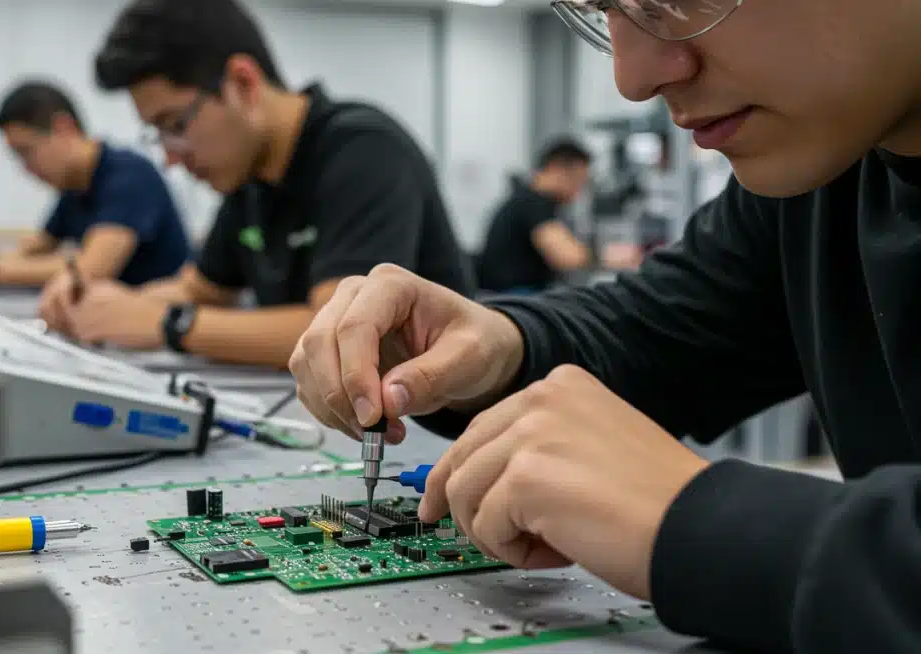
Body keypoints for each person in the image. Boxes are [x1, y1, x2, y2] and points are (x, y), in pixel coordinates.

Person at [289, 1, 921, 652]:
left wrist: (696, 521)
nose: (633, 76)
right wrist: (503, 346)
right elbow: (663, 328)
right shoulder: (822, 180)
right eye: (605, 10)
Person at [39, 0, 473, 368]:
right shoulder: (249, 180)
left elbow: (340, 331)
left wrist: (167, 324)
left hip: (432, 428)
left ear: (243, 84)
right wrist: (103, 302)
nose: (170, 157)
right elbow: (199, 290)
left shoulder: (363, 150)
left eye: (174, 125)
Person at [0, 81, 190, 290]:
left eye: (26, 152)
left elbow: (90, 269)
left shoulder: (131, 176)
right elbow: (34, 249)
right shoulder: (74, 188)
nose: (25, 168)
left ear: (64, 128)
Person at [477, 139, 592, 294]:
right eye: (577, 182)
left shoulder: (526, 199)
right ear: (556, 169)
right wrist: (605, 255)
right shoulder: (533, 203)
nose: (577, 193)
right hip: (515, 297)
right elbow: (566, 257)